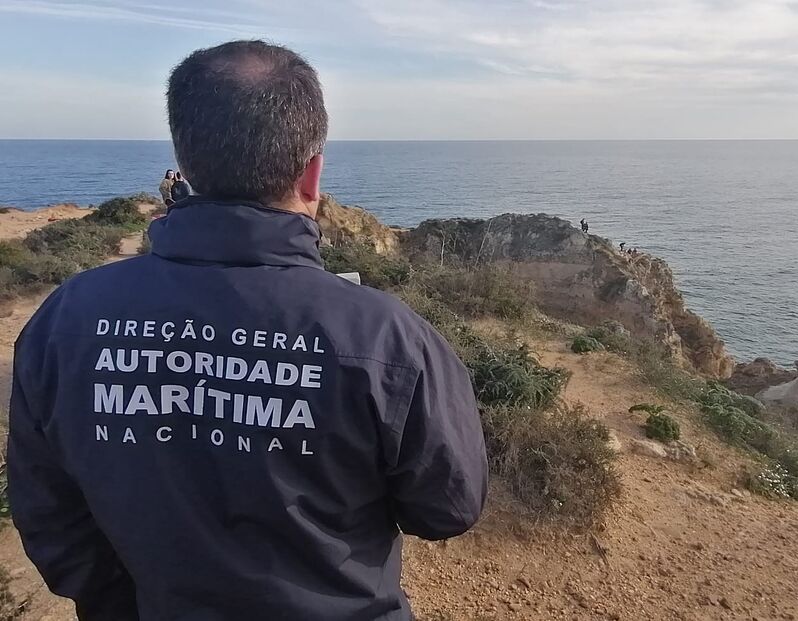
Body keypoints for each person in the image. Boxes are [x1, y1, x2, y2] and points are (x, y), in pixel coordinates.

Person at [7, 40, 488, 621]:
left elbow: (45, 508)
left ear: (183, 165)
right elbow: (448, 507)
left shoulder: (67, 317)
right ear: (312, 175)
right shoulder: (387, 340)